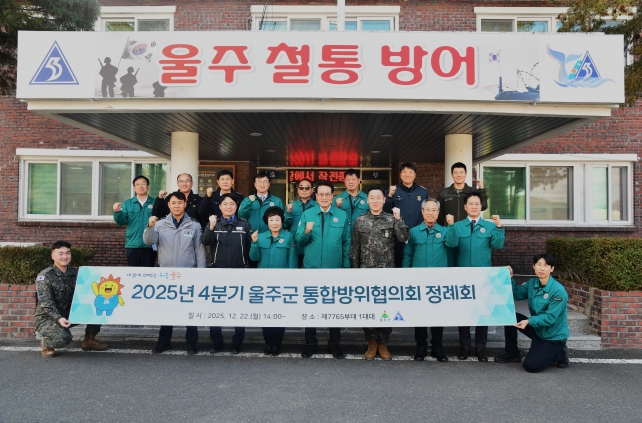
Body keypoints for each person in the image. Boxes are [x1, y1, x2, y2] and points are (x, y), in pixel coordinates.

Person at [143, 191, 206, 355]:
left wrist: (201, 273)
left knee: (189, 310)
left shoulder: (194, 225)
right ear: (168, 205)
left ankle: (191, 343)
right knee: (167, 310)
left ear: (185, 204)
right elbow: (148, 241)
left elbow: (199, 251)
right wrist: (149, 226)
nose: (176, 205)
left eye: (179, 202)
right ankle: (164, 342)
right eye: (173, 203)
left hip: (188, 274)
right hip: (167, 275)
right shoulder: (160, 224)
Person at [350, 187, 408, 360]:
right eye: (372, 198)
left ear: (384, 200)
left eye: (378, 198)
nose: (375, 201)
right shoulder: (360, 221)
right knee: (368, 308)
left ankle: (383, 343)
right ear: (367, 200)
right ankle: (371, 343)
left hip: (386, 273)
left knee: (385, 308)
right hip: (366, 273)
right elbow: (355, 248)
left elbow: (404, 237)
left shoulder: (391, 219)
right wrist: (355, 272)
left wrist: (398, 219)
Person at [445, 193, 505, 362]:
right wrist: (450, 227)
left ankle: (481, 348)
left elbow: (498, 245)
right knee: (464, 313)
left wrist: (499, 226)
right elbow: (451, 245)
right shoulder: (457, 226)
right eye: (470, 204)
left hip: (483, 277)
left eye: (477, 204)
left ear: (481, 206)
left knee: (482, 314)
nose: (473, 206)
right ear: (465, 207)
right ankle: (465, 347)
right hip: (462, 276)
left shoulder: (490, 226)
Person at [295, 180, 350, 359]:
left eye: (328, 194)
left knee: (334, 308)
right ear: (316, 196)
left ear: (332, 196)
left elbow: (346, 242)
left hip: (335, 269)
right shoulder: (307, 214)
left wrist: (346, 266)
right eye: (321, 194)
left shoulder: (342, 215)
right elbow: (299, 240)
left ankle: (335, 344)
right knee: (311, 307)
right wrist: (306, 232)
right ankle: (310, 343)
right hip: (312, 269)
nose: (324, 197)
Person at [495, 254, 570, 372]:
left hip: (553, 336)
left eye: (546, 265)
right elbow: (515, 294)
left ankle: (559, 353)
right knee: (509, 316)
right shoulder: (532, 283)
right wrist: (509, 278)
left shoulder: (558, 291)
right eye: (539, 265)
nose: (541, 268)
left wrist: (529, 321)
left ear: (552, 269)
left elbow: (550, 318)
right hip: (537, 329)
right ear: (534, 266)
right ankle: (512, 353)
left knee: (531, 366)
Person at [35, 241, 108, 357]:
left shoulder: (77, 272)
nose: (65, 256)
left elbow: (92, 288)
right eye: (60, 253)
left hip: (70, 313)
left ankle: (89, 340)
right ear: (52, 256)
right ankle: (47, 343)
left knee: (98, 308)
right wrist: (59, 318)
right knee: (64, 338)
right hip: (49, 317)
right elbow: (45, 302)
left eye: (67, 253)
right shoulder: (45, 276)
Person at [201, 193, 252, 354]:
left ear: (236, 206)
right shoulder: (214, 223)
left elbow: (249, 247)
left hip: (239, 271)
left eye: (232, 204)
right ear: (220, 206)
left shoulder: (244, 224)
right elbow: (205, 242)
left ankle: (237, 343)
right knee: (216, 309)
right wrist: (211, 227)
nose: (228, 207)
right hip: (218, 272)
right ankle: (217, 342)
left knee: (239, 309)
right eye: (225, 204)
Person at [402, 198, 449, 363]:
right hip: (418, 281)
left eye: (434, 210)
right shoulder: (413, 232)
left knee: (438, 315)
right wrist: (406, 276)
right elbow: (407, 254)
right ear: (422, 212)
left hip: (439, 282)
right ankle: (421, 347)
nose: (430, 213)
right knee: (420, 315)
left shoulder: (446, 231)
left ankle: (437, 348)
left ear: (438, 212)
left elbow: (452, 251)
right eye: (427, 209)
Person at [249, 207, 298, 356]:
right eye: (271, 220)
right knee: (266, 314)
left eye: (277, 219)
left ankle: (277, 344)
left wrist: (291, 281)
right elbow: (254, 258)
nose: (275, 223)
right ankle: (268, 343)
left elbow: (292, 260)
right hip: (264, 283)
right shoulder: (260, 237)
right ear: (267, 221)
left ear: (282, 221)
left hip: (282, 283)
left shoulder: (288, 236)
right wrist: (254, 243)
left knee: (280, 314)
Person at [384, 162, 429, 267]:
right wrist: (389, 196)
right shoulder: (393, 190)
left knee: (417, 261)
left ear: (415, 175)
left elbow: (427, 211)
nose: (407, 174)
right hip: (398, 235)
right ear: (400, 174)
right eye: (404, 172)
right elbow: (385, 212)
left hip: (417, 234)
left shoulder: (422, 191)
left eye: (410, 172)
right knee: (399, 263)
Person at [239, 171, 284, 267]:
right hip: (251, 240)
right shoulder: (247, 200)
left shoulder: (277, 201)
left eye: (265, 181)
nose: (262, 184)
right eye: (259, 182)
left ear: (269, 184)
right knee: (253, 266)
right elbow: (241, 216)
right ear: (255, 184)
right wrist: (249, 203)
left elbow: (281, 222)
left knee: (269, 266)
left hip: (271, 240)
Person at [113, 175, 157, 267]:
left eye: (143, 184)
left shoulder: (155, 203)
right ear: (134, 188)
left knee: (149, 273)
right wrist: (117, 212)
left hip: (149, 245)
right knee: (133, 273)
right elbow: (121, 222)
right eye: (137, 184)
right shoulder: (127, 203)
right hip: (132, 244)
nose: (141, 186)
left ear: (148, 186)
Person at [284, 178, 317, 268]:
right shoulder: (290, 206)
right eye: (301, 188)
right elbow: (285, 225)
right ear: (298, 190)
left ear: (312, 190)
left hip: (312, 245)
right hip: (294, 245)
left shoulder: (317, 206)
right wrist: (288, 213)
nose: (304, 190)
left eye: (307, 188)